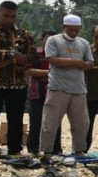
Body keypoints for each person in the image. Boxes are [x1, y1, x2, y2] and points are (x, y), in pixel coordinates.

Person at [38, 15, 94, 157]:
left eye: (76, 30)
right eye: (71, 30)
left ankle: (79, 150)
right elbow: (52, 59)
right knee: (50, 122)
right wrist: (76, 63)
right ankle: (47, 150)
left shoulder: (84, 43)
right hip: (58, 88)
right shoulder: (54, 40)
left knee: (81, 123)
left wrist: (68, 64)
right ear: (63, 27)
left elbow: (90, 64)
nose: (74, 33)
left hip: (78, 89)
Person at [26, 29, 57, 155]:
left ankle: (55, 148)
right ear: (41, 40)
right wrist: (49, 74)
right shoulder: (36, 53)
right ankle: (33, 148)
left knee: (55, 122)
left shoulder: (58, 55)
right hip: (37, 92)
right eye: (47, 39)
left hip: (55, 92)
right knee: (36, 121)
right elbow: (29, 70)